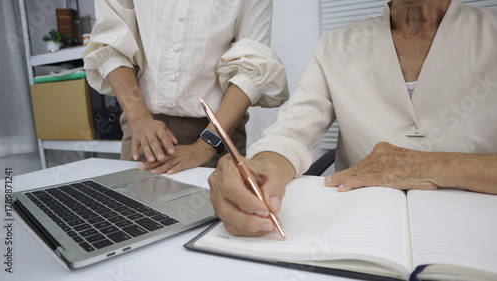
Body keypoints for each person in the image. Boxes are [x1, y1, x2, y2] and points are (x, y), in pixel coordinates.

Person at [208, 0, 497, 237]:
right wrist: (263, 168)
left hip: (476, 226)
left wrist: (430, 165)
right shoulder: (336, 45)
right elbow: (292, 132)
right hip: (361, 228)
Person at [83, 0, 289, 175]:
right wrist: (139, 119)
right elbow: (110, 43)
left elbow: (252, 67)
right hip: (143, 128)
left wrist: (207, 144)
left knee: (217, 218)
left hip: (219, 131)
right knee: (136, 216)